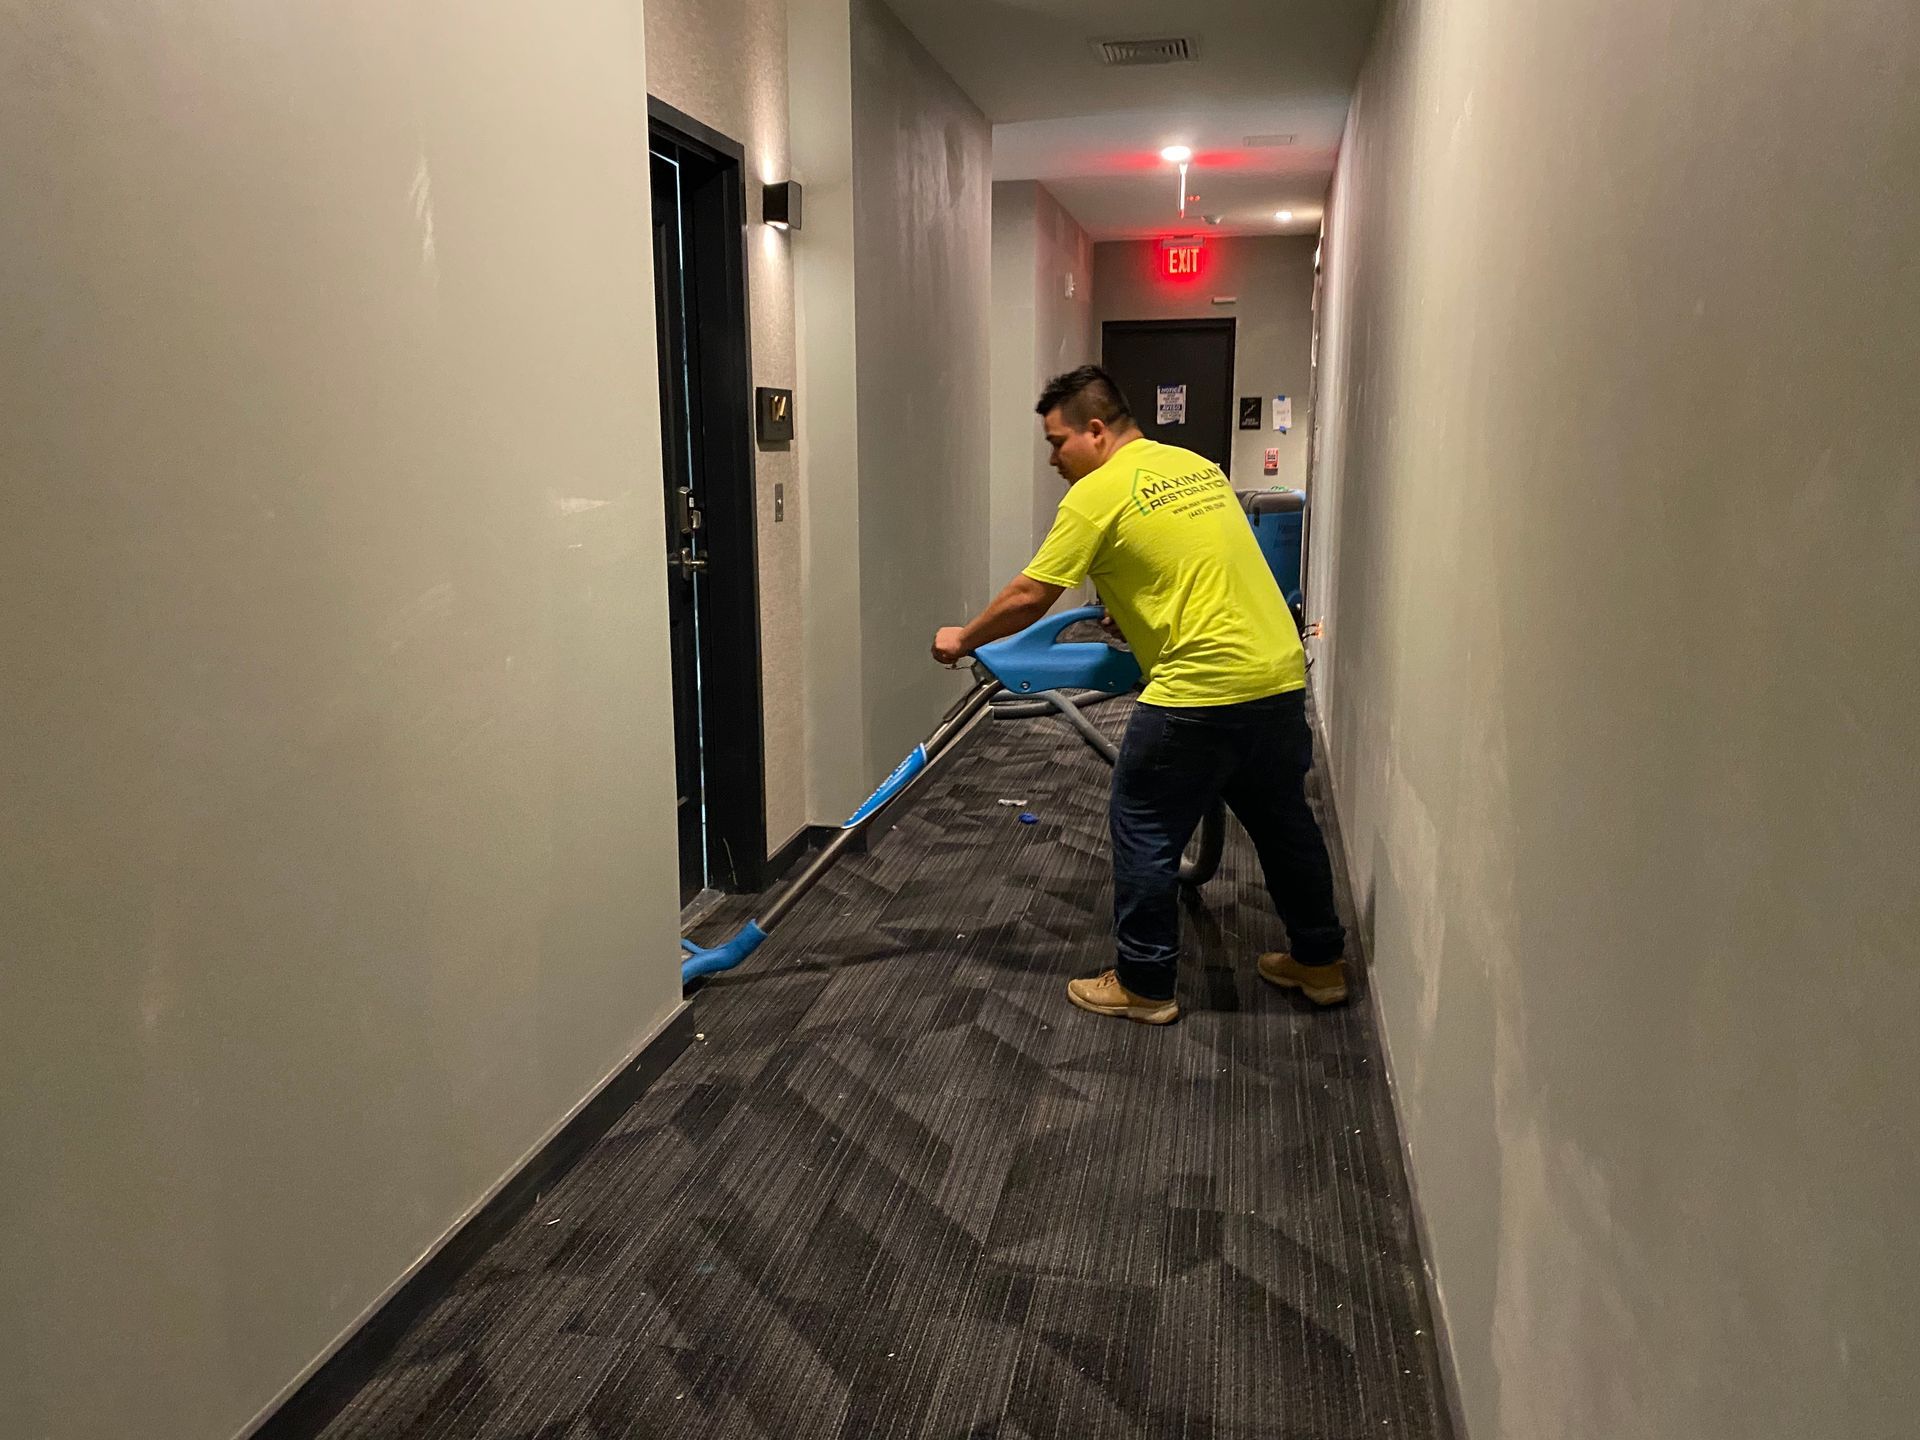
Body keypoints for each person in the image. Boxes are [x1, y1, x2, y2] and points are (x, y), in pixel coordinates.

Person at [931, 365, 1347, 1024]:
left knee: (1145, 828)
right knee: (1284, 824)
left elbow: (1031, 596)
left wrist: (964, 637)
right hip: (1276, 675)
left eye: (1057, 443)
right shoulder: (1198, 468)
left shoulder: (1095, 494)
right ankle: (1320, 962)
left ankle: (1145, 984)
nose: (1052, 460)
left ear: (1095, 431)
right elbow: (1190, 565)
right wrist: (1132, 612)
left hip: (1196, 690)